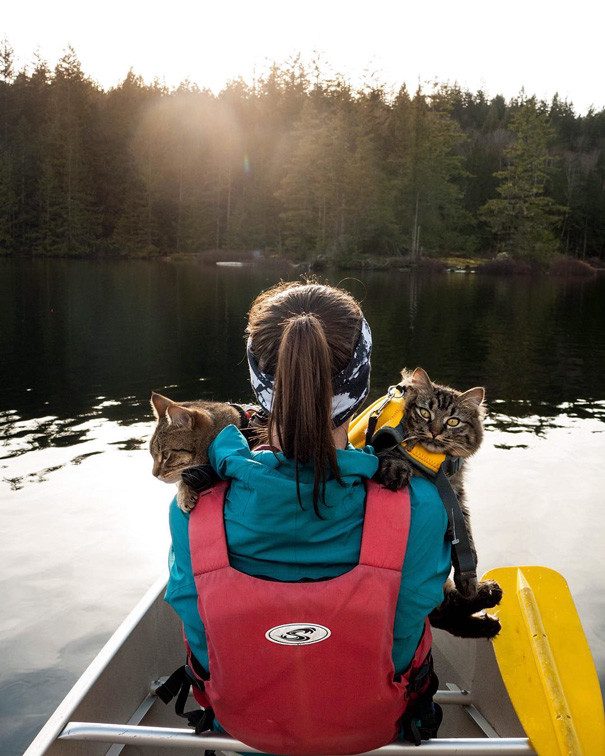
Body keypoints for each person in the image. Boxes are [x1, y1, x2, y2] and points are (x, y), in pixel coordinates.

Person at [164, 281, 451, 753]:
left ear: (258, 384)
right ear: (360, 388)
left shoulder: (194, 508)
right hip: (373, 725)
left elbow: (201, 642)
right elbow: (404, 639)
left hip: (243, 727)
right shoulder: (417, 506)